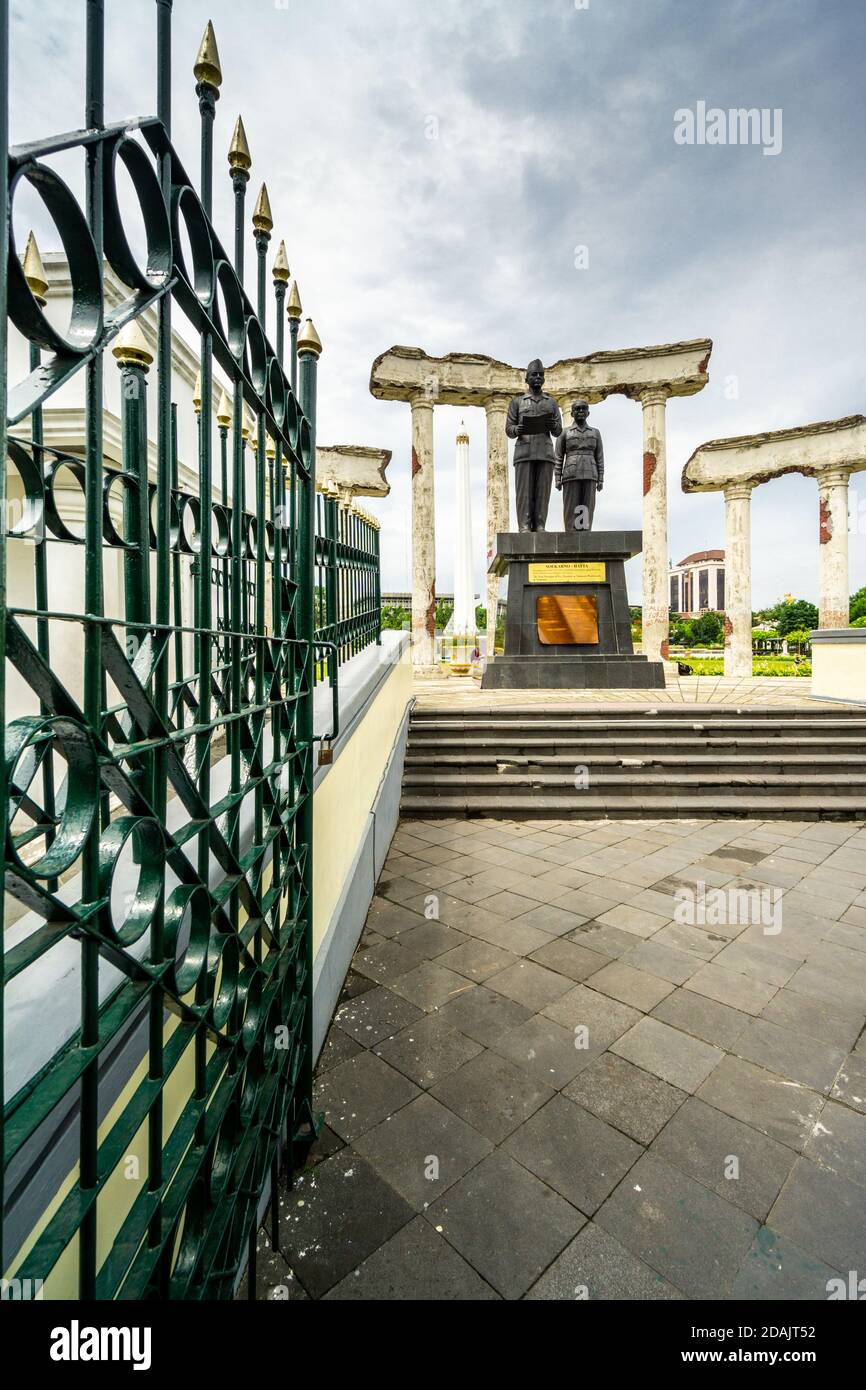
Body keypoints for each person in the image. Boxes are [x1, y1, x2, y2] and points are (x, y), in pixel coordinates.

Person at [505, 358, 562, 532]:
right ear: (527, 378)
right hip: (524, 452)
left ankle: (540, 525)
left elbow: (558, 431)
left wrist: (553, 425)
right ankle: (524, 526)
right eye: (534, 374)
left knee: (542, 493)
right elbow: (508, 429)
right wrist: (518, 429)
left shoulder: (551, 402)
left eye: (540, 375)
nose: (537, 377)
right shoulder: (517, 402)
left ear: (543, 379)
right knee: (524, 493)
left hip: (545, 452)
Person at [554, 399, 604, 531]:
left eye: (583, 409)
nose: (580, 411)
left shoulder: (595, 432)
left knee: (587, 508)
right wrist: (557, 478)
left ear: (588, 412)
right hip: (571, 474)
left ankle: (585, 536)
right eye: (577, 409)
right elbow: (558, 456)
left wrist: (601, 478)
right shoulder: (564, 433)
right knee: (571, 508)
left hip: (590, 473)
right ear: (571, 413)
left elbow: (599, 456)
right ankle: (571, 535)